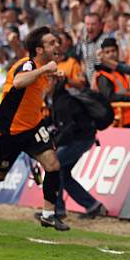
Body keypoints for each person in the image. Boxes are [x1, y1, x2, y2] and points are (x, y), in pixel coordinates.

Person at [0, 26, 69, 231]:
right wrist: (45, 70)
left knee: (52, 165)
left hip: (33, 127)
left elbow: (36, 94)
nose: (57, 45)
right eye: (52, 43)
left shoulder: (41, 70)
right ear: (39, 49)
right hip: (10, 131)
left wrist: (51, 78)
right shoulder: (27, 64)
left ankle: (48, 214)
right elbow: (18, 82)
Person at [48, 80, 106, 220]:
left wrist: (53, 143)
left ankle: (57, 210)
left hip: (80, 139)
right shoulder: (57, 99)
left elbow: (67, 131)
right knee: (64, 175)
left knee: (53, 166)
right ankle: (94, 206)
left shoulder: (63, 102)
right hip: (83, 138)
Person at [93, 37, 130, 128]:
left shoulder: (121, 70)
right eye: (107, 52)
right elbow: (109, 97)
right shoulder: (103, 75)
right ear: (103, 54)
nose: (111, 54)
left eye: (113, 51)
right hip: (116, 121)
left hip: (129, 118)